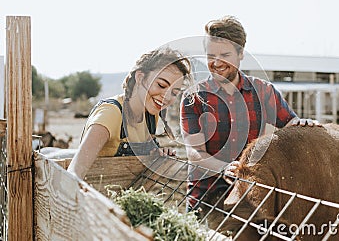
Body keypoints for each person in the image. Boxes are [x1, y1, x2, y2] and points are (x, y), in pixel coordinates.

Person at [180, 15, 320, 211]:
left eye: (225, 55)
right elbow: (194, 153)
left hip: (251, 199)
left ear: (241, 53)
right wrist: (223, 168)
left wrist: (304, 125)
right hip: (205, 198)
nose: (216, 62)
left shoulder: (264, 91)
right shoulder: (194, 97)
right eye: (211, 56)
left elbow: (291, 126)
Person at [68, 47, 191, 179]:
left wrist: (158, 156)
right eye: (161, 85)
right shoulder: (111, 113)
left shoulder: (150, 115)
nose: (167, 97)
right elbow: (74, 172)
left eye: (174, 93)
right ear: (140, 77)